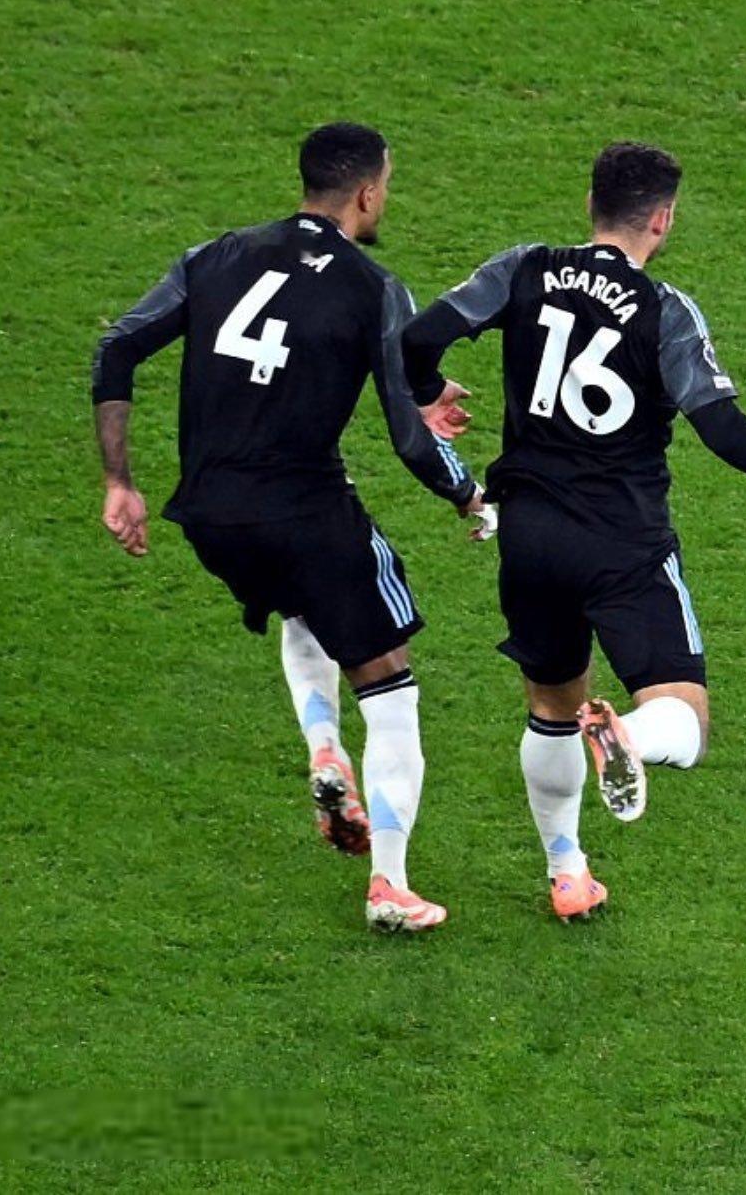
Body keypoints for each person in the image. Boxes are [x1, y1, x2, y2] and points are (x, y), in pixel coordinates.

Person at [403, 141, 746, 921]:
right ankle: (625, 731)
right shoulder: (665, 311)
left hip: (527, 535)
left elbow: (417, 339)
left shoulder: (524, 268)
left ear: (591, 204)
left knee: (551, 704)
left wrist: (429, 392)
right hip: (620, 541)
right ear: (662, 219)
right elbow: (721, 429)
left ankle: (568, 874)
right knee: (683, 719)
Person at [88, 123, 485, 933]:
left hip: (211, 517)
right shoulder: (374, 287)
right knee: (390, 685)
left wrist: (120, 482)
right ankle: (389, 886)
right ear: (367, 192)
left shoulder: (214, 256)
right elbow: (408, 437)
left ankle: (322, 748)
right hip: (307, 514)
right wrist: (468, 495)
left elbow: (118, 346)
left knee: (303, 606)